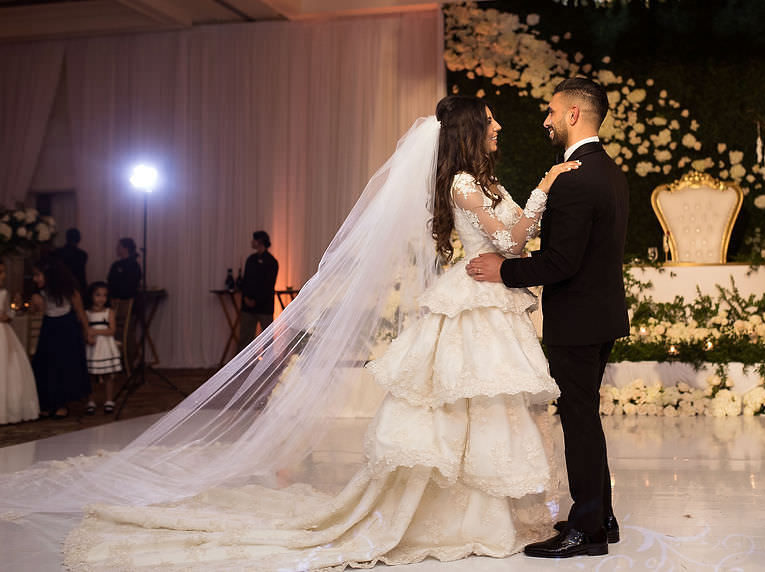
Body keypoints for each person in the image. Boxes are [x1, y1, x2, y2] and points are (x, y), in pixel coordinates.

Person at [5, 95, 582, 570]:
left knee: (487, 406)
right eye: (490, 120)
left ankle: (487, 511)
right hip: (472, 299)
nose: (500, 125)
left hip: (488, 295)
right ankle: (452, 513)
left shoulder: (486, 180)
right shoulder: (461, 183)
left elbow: (513, 240)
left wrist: (528, 207)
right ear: (468, 130)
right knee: (459, 405)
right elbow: (510, 242)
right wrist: (547, 186)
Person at [468, 77, 630, 559]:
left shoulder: (575, 177)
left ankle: (587, 530)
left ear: (574, 115)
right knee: (587, 418)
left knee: (578, 420)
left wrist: (504, 270)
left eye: (551, 111)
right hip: (600, 317)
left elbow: (561, 263)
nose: (546, 120)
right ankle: (602, 515)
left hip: (577, 320)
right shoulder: (611, 172)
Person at [30, 260, 92, 419]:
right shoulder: (40, 292)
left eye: (38, 275)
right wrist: (34, 303)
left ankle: (61, 403)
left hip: (67, 329)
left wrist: (87, 331)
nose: (35, 279)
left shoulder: (70, 291)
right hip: (49, 328)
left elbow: (80, 313)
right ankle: (46, 403)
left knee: (63, 366)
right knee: (45, 365)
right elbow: (36, 311)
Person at [0, 262, 39, 424]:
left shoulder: (3, 293)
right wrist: (14, 309)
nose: (4, 275)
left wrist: (12, 308)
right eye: (1, 272)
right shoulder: (2, 293)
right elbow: (6, 317)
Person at [236, 230, 279, 354]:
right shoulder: (251, 259)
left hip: (264, 306)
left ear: (260, 241)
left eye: (253, 239)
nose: (251, 242)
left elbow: (268, 285)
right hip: (248, 307)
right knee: (245, 337)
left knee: (267, 338)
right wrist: (246, 298)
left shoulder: (272, 262)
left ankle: (267, 367)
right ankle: (243, 367)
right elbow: (246, 281)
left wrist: (256, 300)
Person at [83, 281, 122, 415]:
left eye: (104, 295)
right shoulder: (86, 313)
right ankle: (91, 401)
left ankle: (109, 400)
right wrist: (88, 335)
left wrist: (96, 332)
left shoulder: (108, 312)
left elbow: (112, 330)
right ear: (91, 296)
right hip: (92, 348)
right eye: (98, 295)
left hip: (105, 347)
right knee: (91, 375)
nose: (101, 298)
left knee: (108, 375)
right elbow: (83, 329)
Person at [52, 227, 88, 293]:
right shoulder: (82, 254)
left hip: (59, 284)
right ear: (79, 239)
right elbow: (81, 275)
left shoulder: (57, 252)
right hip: (76, 285)